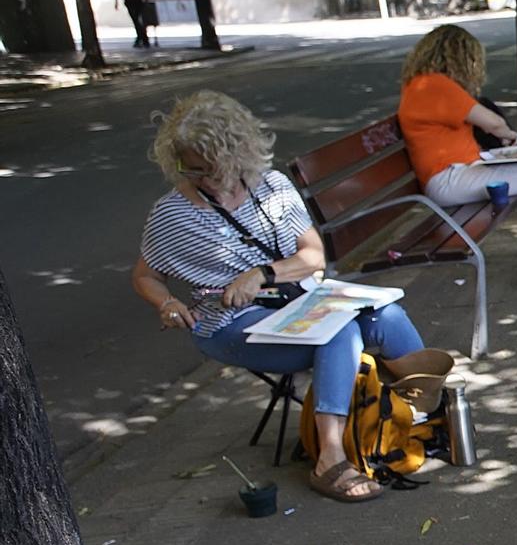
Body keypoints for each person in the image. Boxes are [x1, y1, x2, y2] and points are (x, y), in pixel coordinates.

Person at [131, 91, 439, 504]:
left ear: (236, 152)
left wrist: (261, 275)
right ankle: (329, 458)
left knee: (389, 315)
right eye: (189, 167)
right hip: (228, 325)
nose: (199, 177)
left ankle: (420, 413)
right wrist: (167, 304)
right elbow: (145, 276)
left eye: (208, 167)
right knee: (337, 334)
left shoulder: (272, 186)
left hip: (295, 303)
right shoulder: (172, 215)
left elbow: (313, 257)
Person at [396, 24, 517, 290]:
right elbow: (490, 121)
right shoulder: (433, 85)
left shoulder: (421, 85)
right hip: (447, 179)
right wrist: (506, 133)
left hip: (461, 172)